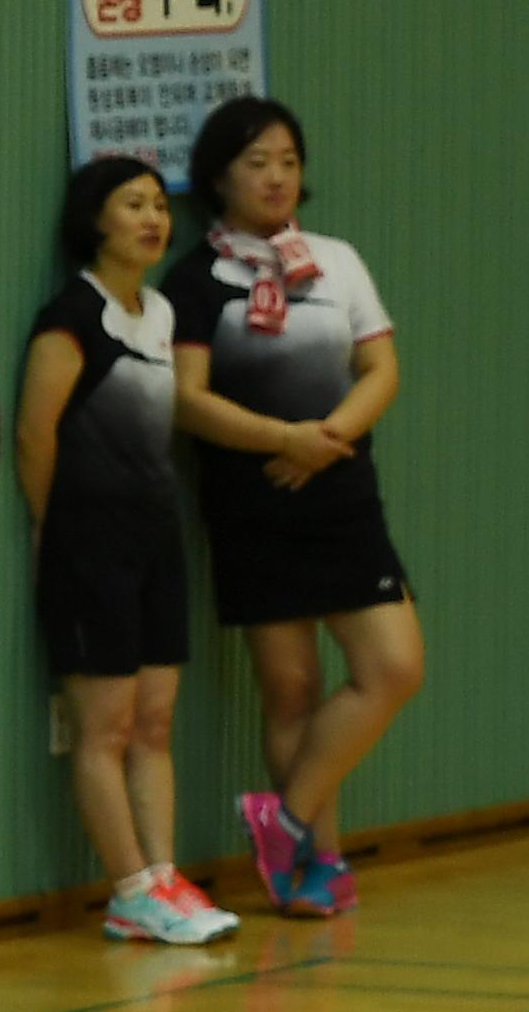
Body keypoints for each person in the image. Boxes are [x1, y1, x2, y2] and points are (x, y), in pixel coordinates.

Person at [167, 96, 424, 916]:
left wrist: (327, 437)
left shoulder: (337, 261)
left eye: (287, 160)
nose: (276, 177)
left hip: (342, 494)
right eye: (256, 162)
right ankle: (316, 866)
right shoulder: (196, 278)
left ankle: (286, 818)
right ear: (218, 177)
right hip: (254, 503)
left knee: (393, 668)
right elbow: (187, 399)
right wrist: (283, 439)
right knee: (292, 693)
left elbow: (380, 368)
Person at [17, 157, 237, 945]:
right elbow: (35, 432)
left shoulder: (161, 316)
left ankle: (165, 876)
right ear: (95, 220)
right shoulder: (70, 318)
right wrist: (51, 529)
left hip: (156, 542)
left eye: (157, 205)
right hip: (89, 547)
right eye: (131, 204)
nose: (151, 218)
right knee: (104, 730)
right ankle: (129, 889)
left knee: (154, 724)